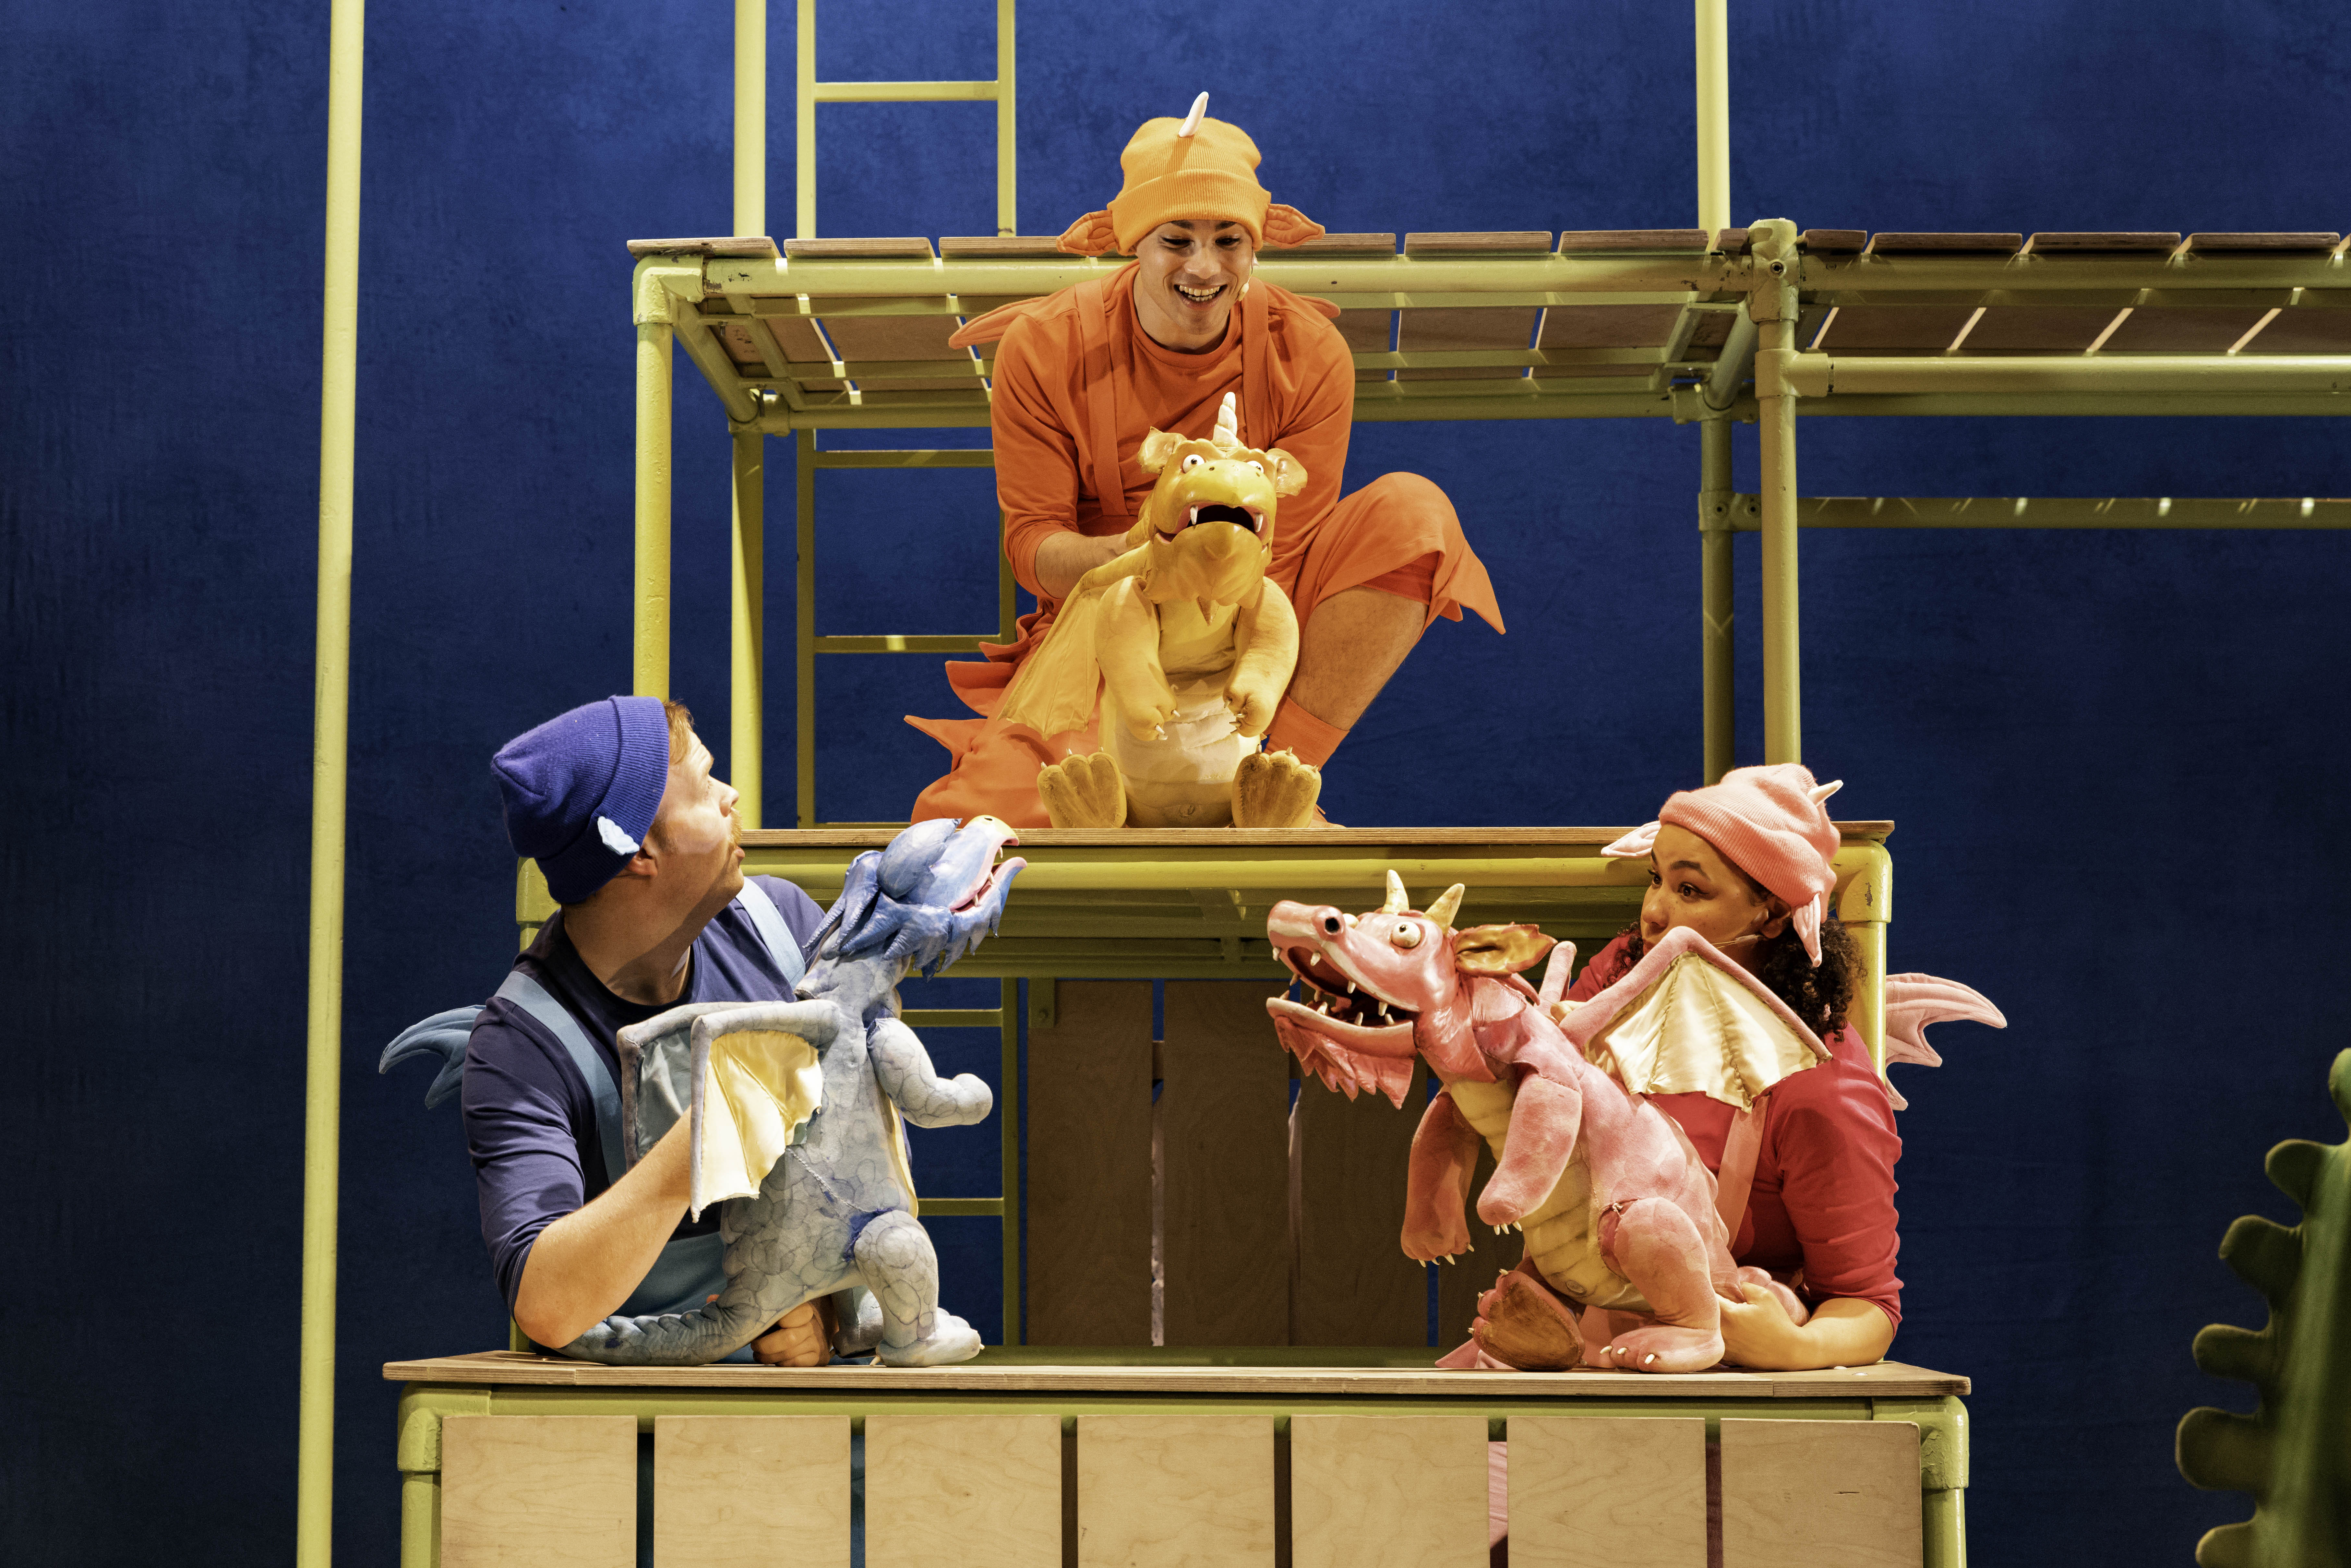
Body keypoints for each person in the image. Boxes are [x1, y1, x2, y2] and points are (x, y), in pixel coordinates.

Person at [907, 99, 1505, 825]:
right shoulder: (1045, 345)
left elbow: (1282, 557)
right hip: (1104, 618)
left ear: (1256, 246)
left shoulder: (1307, 351)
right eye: (1176, 240)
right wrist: (1139, 553)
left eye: (1229, 240)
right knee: (978, 828)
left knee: (1412, 512)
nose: (1204, 266)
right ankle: (1155, 785)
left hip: (1251, 615)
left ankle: (1265, 781)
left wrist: (1228, 654)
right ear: (1136, 242)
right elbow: (1033, 546)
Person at [462, 694, 834, 1365]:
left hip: (808, 1408)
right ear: (637, 851)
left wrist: (829, 1306)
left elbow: (870, 1168)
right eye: (706, 781)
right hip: (633, 1409)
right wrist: (697, 1146)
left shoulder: (785, 932)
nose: (731, 796)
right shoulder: (523, 1047)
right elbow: (545, 1303)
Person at [1568, 763, 1902, 1371]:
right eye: (1655, 879)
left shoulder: (1820, 1088)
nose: (1653, 914)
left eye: (1689, 891)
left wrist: (1790, 1346)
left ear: (1771, 915)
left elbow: (1867, 1307)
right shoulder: (1617, 978)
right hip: (1573, 1363)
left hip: (1716, 1387)